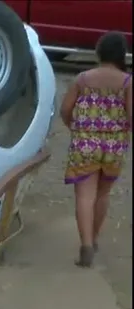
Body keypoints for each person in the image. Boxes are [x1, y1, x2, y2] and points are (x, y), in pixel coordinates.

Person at [60, 31, 132, 267]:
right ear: (122, 55)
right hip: (114, 146)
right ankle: (96, 237)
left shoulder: (82, 79)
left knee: (84, 196)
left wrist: (74, 126)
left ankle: (86, 245)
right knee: (102, 195)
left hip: (84, 143)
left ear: (98, 52)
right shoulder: (127, 82)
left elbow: (65, 108)